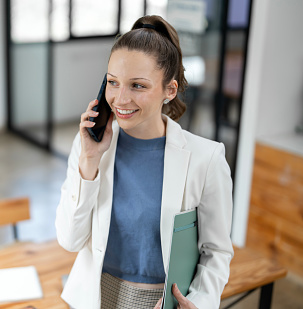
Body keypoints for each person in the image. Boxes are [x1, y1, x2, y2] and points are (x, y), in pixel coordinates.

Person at [55, 15, 233, 309]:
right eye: (113, 82)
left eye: (137, 85)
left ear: (170, 90)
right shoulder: (90, 145)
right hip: (96, 296)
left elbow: (216, 251)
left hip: (162, 302)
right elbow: (70, 240)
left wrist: (199, 302)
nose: (120, 99)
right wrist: (89, 159)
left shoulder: (206, 159)